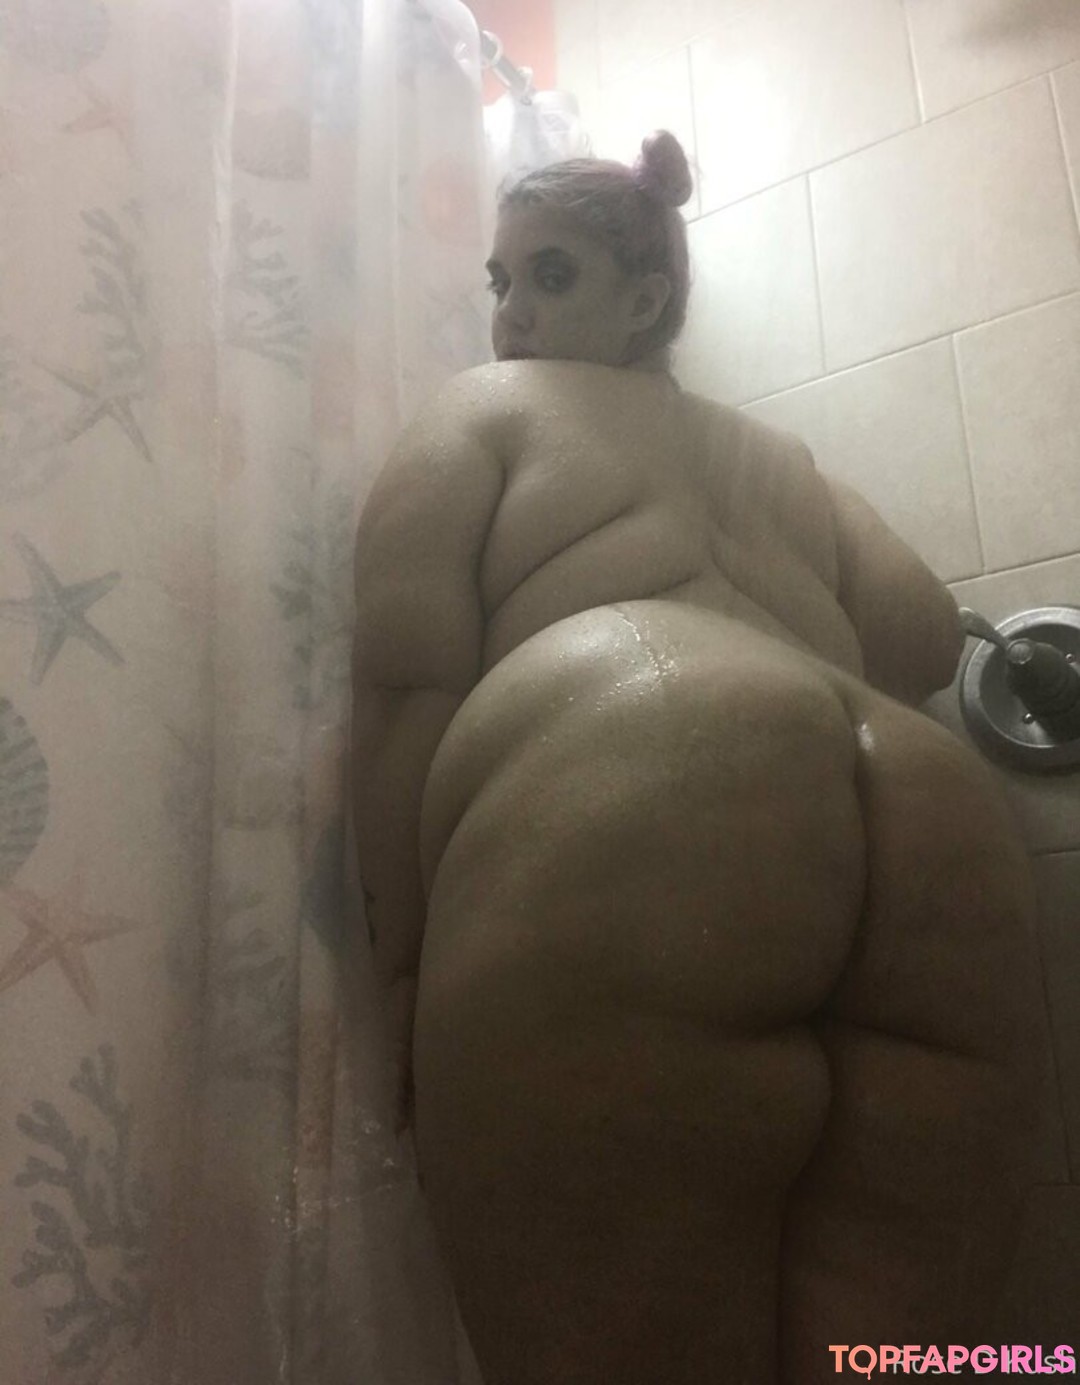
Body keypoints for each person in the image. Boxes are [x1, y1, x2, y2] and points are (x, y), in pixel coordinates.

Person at [351, 131, 1040, 1384]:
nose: (510, 314)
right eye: (499, 281)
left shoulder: (482, 409)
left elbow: (407, 687)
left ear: (646, 298)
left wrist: (400, 969)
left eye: (549, 274)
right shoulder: (784, 463)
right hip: (936, 817)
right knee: (903, 1362)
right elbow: (924, 634)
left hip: (652, 760)